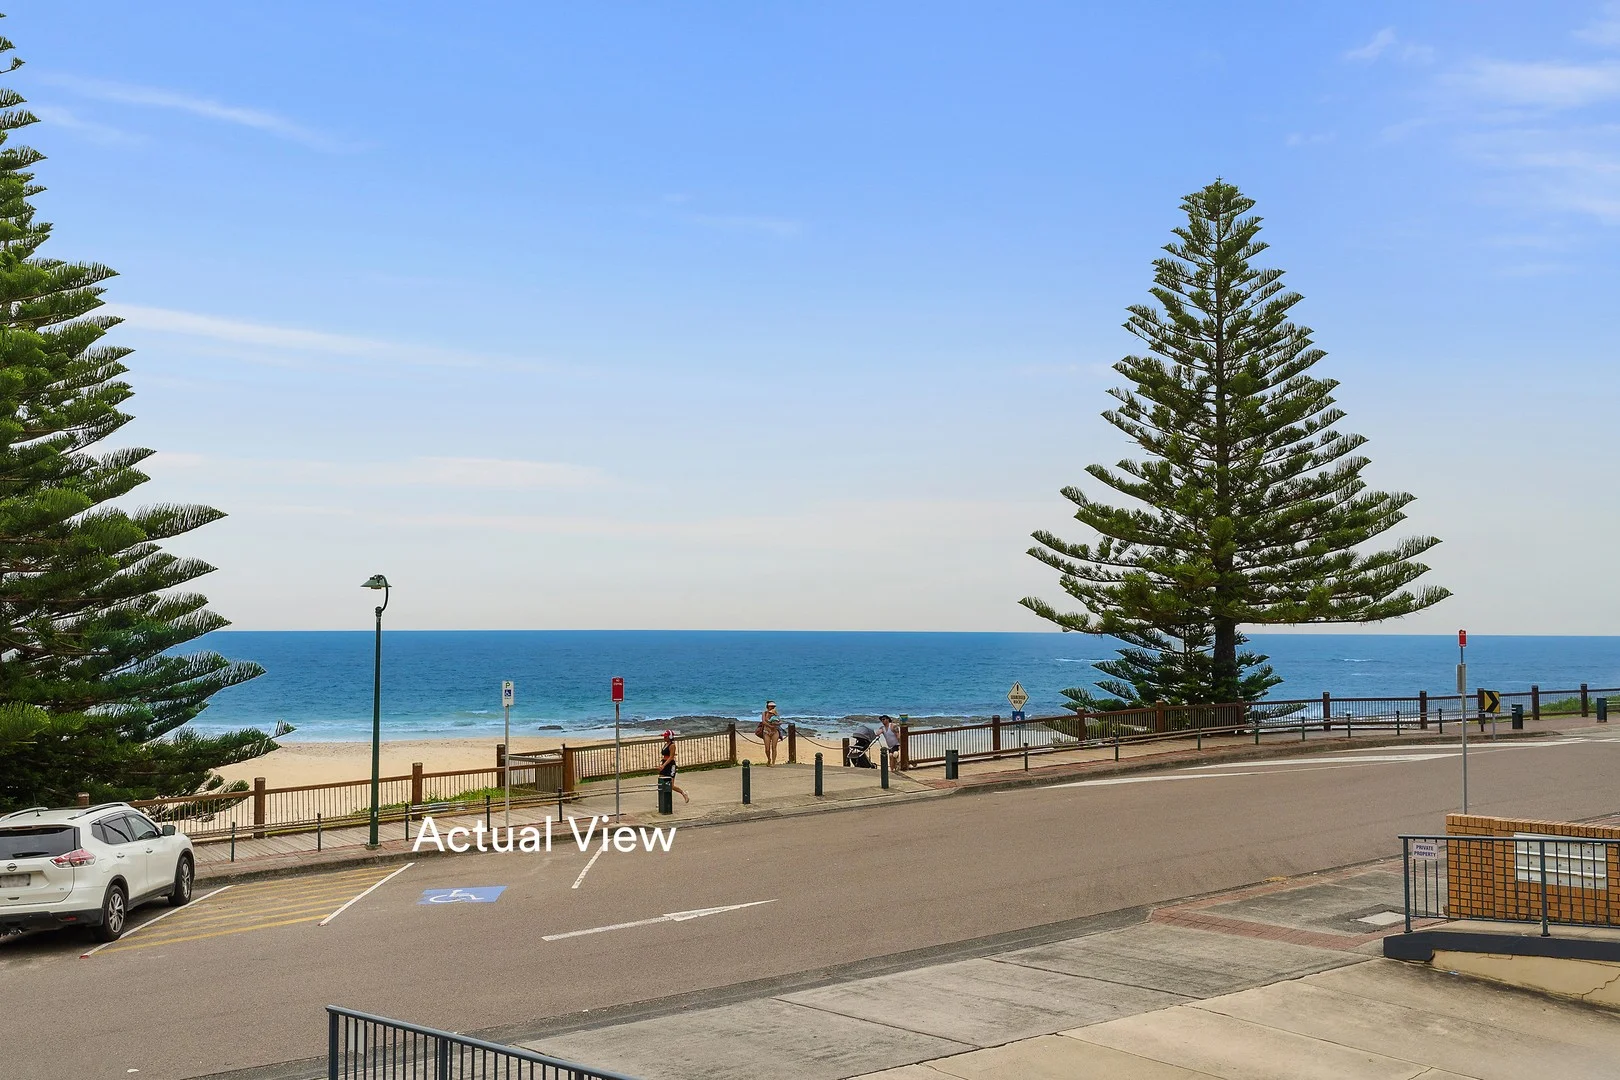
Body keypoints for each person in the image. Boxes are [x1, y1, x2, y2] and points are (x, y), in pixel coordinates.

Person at [658, 729, 689, 804]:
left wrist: (664, 765)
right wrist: (662, 764)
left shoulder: (672, 745)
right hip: (664, 764)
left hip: (670, 765)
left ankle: (683, 793)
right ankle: (661, 801)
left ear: (670, 737)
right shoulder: (666, 744)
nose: (664, 738)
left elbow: (671, 757)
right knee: (661, 783)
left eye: (666, 737)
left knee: (671, 785)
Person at [760, 700, 782, 766]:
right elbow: (763, 721)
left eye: (773, 706)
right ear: (767, 707)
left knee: (774, 747)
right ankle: (769, 759)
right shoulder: (764, 713)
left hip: (775, 732)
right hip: (766, 732)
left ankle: (773, 762)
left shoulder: (775, 713)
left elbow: (780, 721)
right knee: (767, 748)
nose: (772, 708)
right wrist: (770, 726)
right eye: (771, 706)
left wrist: (777, 724)